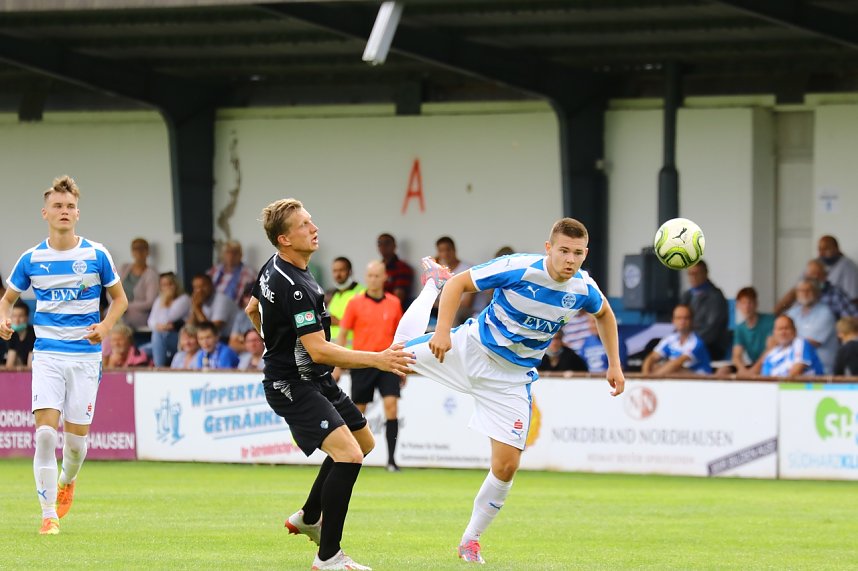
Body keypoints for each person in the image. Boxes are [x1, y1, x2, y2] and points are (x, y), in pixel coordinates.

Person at [391, 217, 624, 564]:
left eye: (577, 253)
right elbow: (458, 285)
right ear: (549, 248)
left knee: (506, 466)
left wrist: (614, 364)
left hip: (511, 379)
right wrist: (442, 330)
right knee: (394, 353)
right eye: (563, 251)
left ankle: (470, 540)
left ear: (585, 254)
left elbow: (605, 315)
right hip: (468, 349)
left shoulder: (583, 288)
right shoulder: (518, 267)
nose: (569, 260)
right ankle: (429, 286)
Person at [245, 198, 413, 571]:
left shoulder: (272, 266)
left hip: (313, 380)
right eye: (304, 224)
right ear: (285, 238)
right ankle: (328, 557)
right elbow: (318, 351)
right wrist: (379, 358)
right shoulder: (299, 287)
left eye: (311, 220)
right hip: (293, 384)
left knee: (363, 443)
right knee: (350, 455)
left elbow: (251, 309)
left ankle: (308, 515)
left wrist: (273, 342)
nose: (313, 227)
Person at [0, 175, 128, 536]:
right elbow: (6, 300)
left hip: (86, 358)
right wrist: (3, 319)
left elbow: (120, 299)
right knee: (44, 435)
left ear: (77, 213)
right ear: (45, 213)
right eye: (57, 206)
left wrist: (105, 327)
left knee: (75, 445)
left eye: (70, 206)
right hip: (48, 356)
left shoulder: (96, 254)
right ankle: (47, 514)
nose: (64, 211)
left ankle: (67, 479)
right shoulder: (31, 258)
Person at [336, 260, 405, 472]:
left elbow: (400, 336)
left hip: (387, 361)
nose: (374, 279)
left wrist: (402, 364)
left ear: (385, 277)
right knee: (359, 411)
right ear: (366, 278)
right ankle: (354, 456)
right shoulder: (355, 303)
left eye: (378, 275)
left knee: (392, 406)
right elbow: (343, 334)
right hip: (363, 361)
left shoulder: (394, 303)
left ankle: (392, 460)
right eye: (370, 275)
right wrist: (338, 364)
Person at [774, 259, 858, 319]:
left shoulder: (835, 294)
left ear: (825, 276)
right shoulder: (800, 291)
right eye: (811, 274)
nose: (815, 277)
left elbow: (852, 318)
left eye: (818, 274)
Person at [680, 260, 730, 360]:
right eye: (690, 274)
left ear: (705, 274)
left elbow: (712, 330)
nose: (692, 277)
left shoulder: (716, 297)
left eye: (696, 273)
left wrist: (691, 343)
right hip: (688, 344)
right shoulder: (687, 295)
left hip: (710, 347)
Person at [642, 304, 712, 375]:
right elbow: (651, 357)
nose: (682, 321)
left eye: (686, 318)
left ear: (692, 321)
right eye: (678, 318)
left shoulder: (697, 343)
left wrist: (652, 379)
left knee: (675, 370)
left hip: (700, 380)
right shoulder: (670, 339)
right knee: (655, 366)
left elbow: (677, 363)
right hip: (678, 378)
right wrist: (645, 376)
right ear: (673, 320)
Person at [785, 279, 838, 374]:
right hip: (794, 368)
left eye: (808, 290)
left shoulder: (825, 313)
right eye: (801, 291)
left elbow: (809, 343)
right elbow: (779, 335)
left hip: (821, 371)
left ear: (817, 292)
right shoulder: (793, 312)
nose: (804, 293)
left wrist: (785, 339)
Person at [725, 287, 775, 376]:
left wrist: (753, 371)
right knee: (724, 370)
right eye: (743, 303)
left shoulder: (769, 321)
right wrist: (743, 370)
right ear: (737, 305)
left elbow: (770, 350)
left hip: (771, 366)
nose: (747, 307)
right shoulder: (740, 328)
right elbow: (736, 356)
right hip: (753, 367)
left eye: (750, 302)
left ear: (756, 304)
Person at [147, 272, 191, 367]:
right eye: (164, 285)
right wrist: (159, 326)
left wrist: (166, 301)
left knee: (158, 334)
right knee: (142, 351)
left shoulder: (184, 299)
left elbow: (167, 318)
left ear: (176, 285)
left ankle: (159, 368)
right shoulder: (159, 299)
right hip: (163, 337)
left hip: (180, 338)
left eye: (170, 284)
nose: (167, 288)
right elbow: (150, 321)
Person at [118, 237, 159, 330]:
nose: (139, 252)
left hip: (138, 313)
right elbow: (111, 288)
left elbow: (150, 302)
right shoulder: (124, 268)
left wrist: (126, 306)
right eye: (135, 249)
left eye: (142, 248)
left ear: (147, 252)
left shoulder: (151, 274)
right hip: (119, 308)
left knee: (121, 321)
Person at [435, 236, 474, 325]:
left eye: (448, 250)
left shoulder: (467, 269)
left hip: (463, 310)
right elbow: (433, 299)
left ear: (454, 250)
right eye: (441, 251)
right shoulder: (439, 271)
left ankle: (449, 339)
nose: (445, 254)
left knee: (452, 314)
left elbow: (467, 302)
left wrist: (444, 306)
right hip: (442, 310)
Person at [327, 257, 365, 348]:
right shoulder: (333, 294)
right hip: (333, 349)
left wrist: (339, 322)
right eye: (335, 271)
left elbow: (365, 323)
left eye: (341, 270)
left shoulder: (361, 293)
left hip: (352, 350)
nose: (338, 274)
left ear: (350, 271)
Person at [187, 273, 238, 338]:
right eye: (196, 287)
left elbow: (212, 331)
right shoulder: (198, 300)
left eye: (203, 286)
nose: (199, 290)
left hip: (230, 338)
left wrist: (197, 308)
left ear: (211, 285)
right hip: (215, 339)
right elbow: (190, 328)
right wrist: (194, 309)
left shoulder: (221, 300)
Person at [207, 240, 257, 306]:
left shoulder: (250, 273)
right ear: (223, 254)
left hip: (235, 309)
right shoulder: (214, 270)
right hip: (212, 306)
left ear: (241, 255)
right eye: (228, 252)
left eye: (235, 252)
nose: (231, 256)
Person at [377, 232, 414, 310]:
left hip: (395, 310)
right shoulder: (377, 267)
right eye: (380, 244)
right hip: (376, 308)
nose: (383, 247)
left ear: (394, 246)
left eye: (387, 243)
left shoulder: (402, 267)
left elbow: (398, 298)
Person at [817, 235, 858, 303]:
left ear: (836, 249)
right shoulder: (817, 263)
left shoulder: (847, 265)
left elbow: (853, 298)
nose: (821, 253)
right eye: (820, 249)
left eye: (825, 249)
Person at [4, 300, 36, 368]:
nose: (17, 320)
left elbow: (30, 367)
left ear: (27, 317)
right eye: (14, 316)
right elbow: (9, 365)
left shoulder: (34, 334)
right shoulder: (12, 334)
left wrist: (19, 368)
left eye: (21, 316)